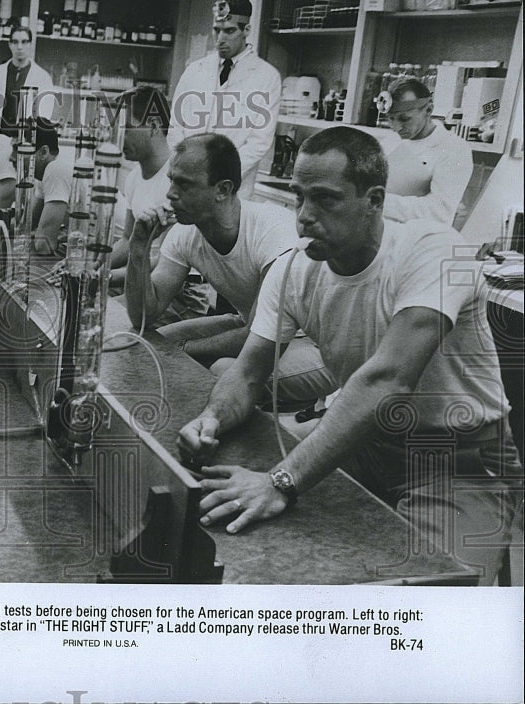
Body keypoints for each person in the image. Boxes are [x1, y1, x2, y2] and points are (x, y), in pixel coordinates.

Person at [178, 126, 522, 585]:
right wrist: (212, 418)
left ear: (375, 200)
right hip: (366, 444)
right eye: (299, 197)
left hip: (456, 462)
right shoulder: (297, 269)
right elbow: (247, 374)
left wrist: (281, 480)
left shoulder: (438, 249)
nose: (304, 217)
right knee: (258, 545)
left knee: (434, 594)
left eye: (325, 199)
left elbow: (389, 379)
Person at [125, 133, 335, 405]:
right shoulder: (186, 232)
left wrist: (187, 349)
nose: (170, 194)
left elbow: (258, 333)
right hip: (253, 326)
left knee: (222, 370)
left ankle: (251, 439)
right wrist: (138, 248)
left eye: (184, 185)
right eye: (171, 180)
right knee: (151, 343)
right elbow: (143, 315)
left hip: (313, 345)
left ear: (222, 190)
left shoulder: (273, 231)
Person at [168, 0, 281, 198]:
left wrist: (216, 176)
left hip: (231, 188)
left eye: (229, 31)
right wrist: (185, 169)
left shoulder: (267, 76)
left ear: (246, 30)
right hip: (187, 184)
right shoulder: (195, 70)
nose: (221, 38)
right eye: (216, 30)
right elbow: (176, 126)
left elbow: (259, 142)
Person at [381, 78, 474, 226]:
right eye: (391, 119)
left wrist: (379, 201)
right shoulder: (391, 141)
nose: (396, 127)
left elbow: (439, 213)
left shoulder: (454, 149)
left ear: (429, 110)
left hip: (418, 242)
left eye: (404, 119)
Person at [109, 86, 174, 285]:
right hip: (140, 281)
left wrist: (107, 276)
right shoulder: (134, 177)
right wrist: (89, 265)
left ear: (154, 126)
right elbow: (127, 239)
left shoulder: (178, 179)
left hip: (177, 293)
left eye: (126, 130)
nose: (119, 140)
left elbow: (169, 263)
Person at [0, 26, 54, 137]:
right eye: (15, 42)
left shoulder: (43, 78)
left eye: (24, 42)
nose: (19, 47)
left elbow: (44, 115)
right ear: (10, 44)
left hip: (25, 141)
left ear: (30, 44)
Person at [30, 117, 74, 256]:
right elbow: (27, 224)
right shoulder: (47, 170)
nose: (12, 158)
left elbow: (44, 245)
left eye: (17, 151)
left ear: (43, 152)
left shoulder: (56, 169)